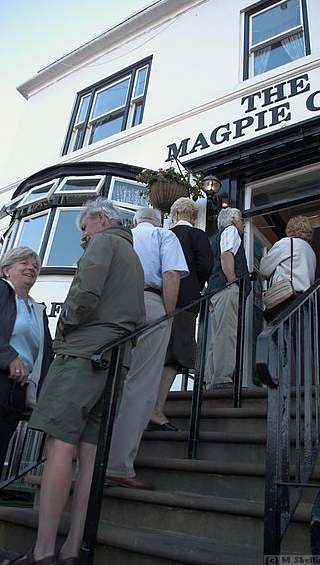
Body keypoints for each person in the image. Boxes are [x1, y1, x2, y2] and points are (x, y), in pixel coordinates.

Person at [10, 199, 145, 565]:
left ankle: (42, 553)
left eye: (84, 230)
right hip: (116, 359)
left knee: (60, 446)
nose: (83, 239)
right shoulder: (133, 257)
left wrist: (64, 326)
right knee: (90, 456)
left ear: (101, 220)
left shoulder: (104, 243)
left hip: (84, 354)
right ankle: (72, 551)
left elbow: (84, 295)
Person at [0, 246, 53, 546]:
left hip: (15, 397)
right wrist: (8, 357)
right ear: (7, 268)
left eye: (35, 264)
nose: (31, 267)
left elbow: (46, 357)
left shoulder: (37, 309)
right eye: (23, 263)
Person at [106, 207, 189, 489]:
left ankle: (88, 461)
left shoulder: (121, 236)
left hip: (114, 307)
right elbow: (171, 276)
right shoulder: (163, 235)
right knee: (140, 384)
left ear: (135, 220)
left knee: (109, 380)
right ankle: (117, 465)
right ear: (159, 220)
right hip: (150, 305)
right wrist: (168, 314)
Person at [148, 197, 213, 430]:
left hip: (157, 297)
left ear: (174, 215)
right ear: (193, 217)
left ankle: (147, 407)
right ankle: (155, 411)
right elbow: (206, 265)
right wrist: (196, 283)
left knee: (156, 351)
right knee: (174, 354)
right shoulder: (198, 235)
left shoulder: (162, 235)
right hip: (185, 300)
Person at [205, 207, 251, 390]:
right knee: (227, 333)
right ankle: (222, 379)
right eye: (241, 220)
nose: (244, 224)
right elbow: (226, 255)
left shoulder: (213, 239)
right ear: (232, 220)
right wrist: (232, 282)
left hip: (215, 291)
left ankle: (211, 379)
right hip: (226, 289)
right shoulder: (231, 231)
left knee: (216, 336)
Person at [260, 214, 316, 322]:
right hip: (305, 301)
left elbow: (264, 268)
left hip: (286, 298)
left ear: (290, 228)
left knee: (282, 333)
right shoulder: (311, 252)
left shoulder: (286, 243)